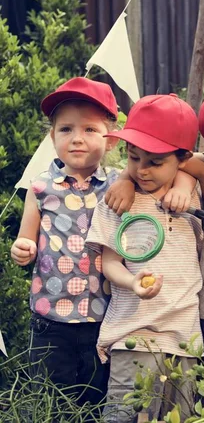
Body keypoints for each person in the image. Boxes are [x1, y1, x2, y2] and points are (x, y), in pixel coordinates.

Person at [85, 94, 204, 422]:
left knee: (181, 417)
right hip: (132, 335)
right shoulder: (117, 202)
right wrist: (131, 282)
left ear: (181, 159)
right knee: (124, 415)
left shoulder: (193, 196)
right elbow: (110, 263)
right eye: (133, 157)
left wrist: (184, 181)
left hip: (185, 338)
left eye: (155, 161)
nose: (141, 170)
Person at [10, 77, 125, 411]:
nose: (77, 139)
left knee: (95, 401)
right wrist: (22, 249)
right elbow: (25, 237)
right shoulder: (41, 187)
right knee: (52, 401)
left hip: (101, 317)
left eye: (90, 130)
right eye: (66, 130)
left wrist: (130, 183)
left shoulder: (117, 186)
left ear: (112, 139)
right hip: (50, 319)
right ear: (52, 136)